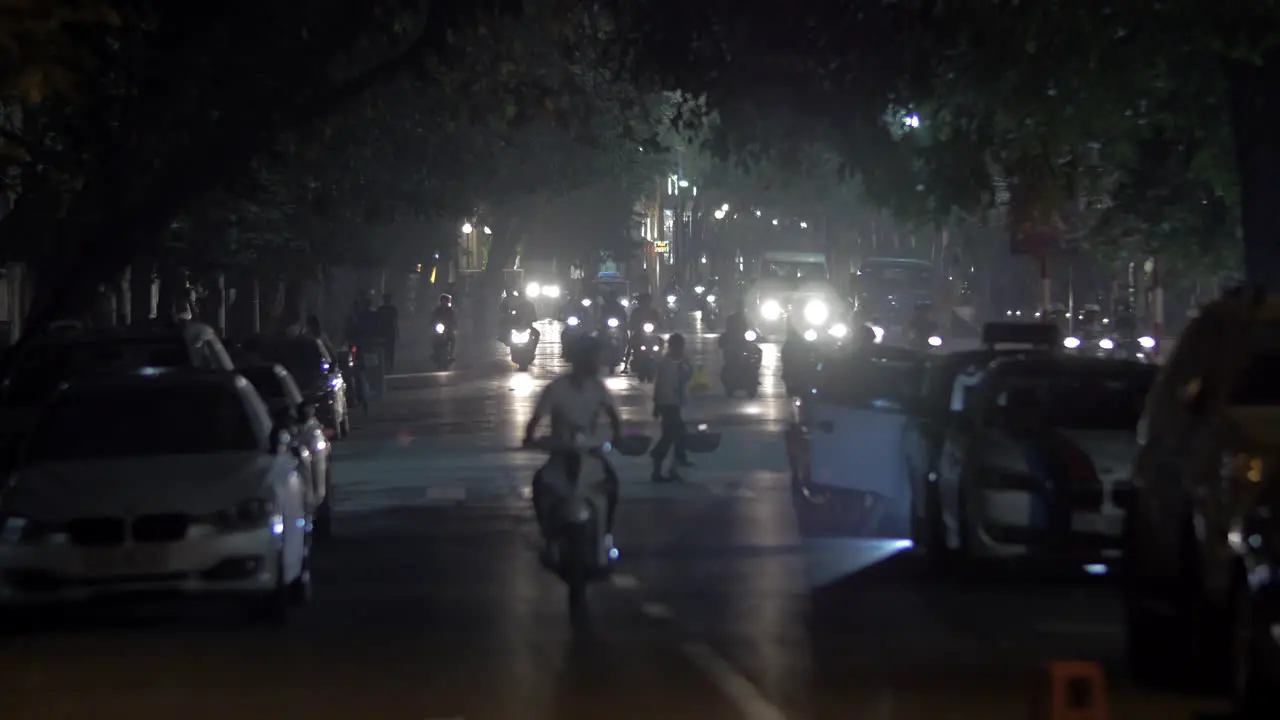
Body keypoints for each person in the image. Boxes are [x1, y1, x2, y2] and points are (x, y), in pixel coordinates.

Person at [523, 336, 623, 548]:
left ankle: (604, 534)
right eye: (595, 358)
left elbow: (614, 417)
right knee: (540, 485)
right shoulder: (556, 388)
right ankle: (547, 534)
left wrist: (618, 437)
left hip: (590, 453)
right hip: (560, 452)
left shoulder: (599, 389)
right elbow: (536, 418)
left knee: (611, 484)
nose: (598, 363)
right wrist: (530, 438)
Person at [650, 333, 694, 482]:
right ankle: (661, 461)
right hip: (669, 405)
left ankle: (670, 468)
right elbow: (662, 385)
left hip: (671, 404)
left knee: (675, 436)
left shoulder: (675, 363)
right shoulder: (671, 364)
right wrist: (657, 404)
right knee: (672, 436)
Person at [623, 293, 662, 371]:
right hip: (639, 333)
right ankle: (625, 365)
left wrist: (660, 326)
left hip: (652, 334)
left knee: (661, 342)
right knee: (630, 344)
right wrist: (632, 326)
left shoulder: (653, 312)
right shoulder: (636, 311)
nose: (645, 303)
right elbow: (631, 322)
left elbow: (659, 322)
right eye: (643, 301)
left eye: (647, 301)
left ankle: (660, 362)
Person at [375, 293, 400, 372]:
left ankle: (388, 364)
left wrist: (397, 331)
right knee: (387, 348)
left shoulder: (382, 309)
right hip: (386, 330)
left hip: (386, 330)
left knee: (389, 348)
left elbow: (395, 321)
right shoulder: (388, 309)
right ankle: (387, 364)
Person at [430, 293, 458, 358]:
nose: (444, 302)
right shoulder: (437, 309)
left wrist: (454, 324)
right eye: (443, 301)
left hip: (448, 328)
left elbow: (454, 318)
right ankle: (434, 352)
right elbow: (433, 317)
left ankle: (451, 354)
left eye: (445, 301)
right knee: (432, 338)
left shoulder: (451, 310)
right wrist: (432, 322)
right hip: (439, 328)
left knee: (453, 338)